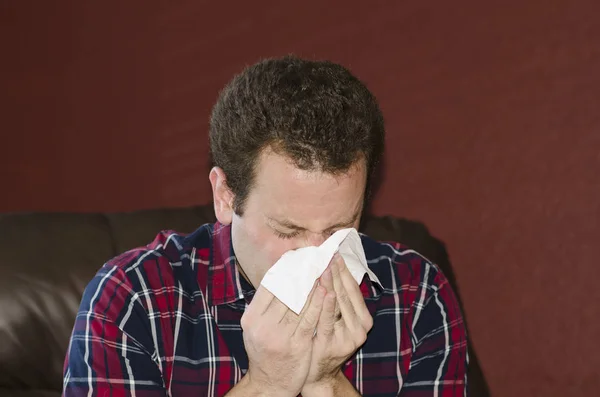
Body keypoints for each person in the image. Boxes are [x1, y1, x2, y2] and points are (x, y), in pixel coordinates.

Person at [62, 56, 468, 397]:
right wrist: (267, 384)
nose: (316, 258)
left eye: (339, 229)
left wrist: (327, 382)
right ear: (225, 196)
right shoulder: (133, 300)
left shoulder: (417, 297)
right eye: (287, 231)